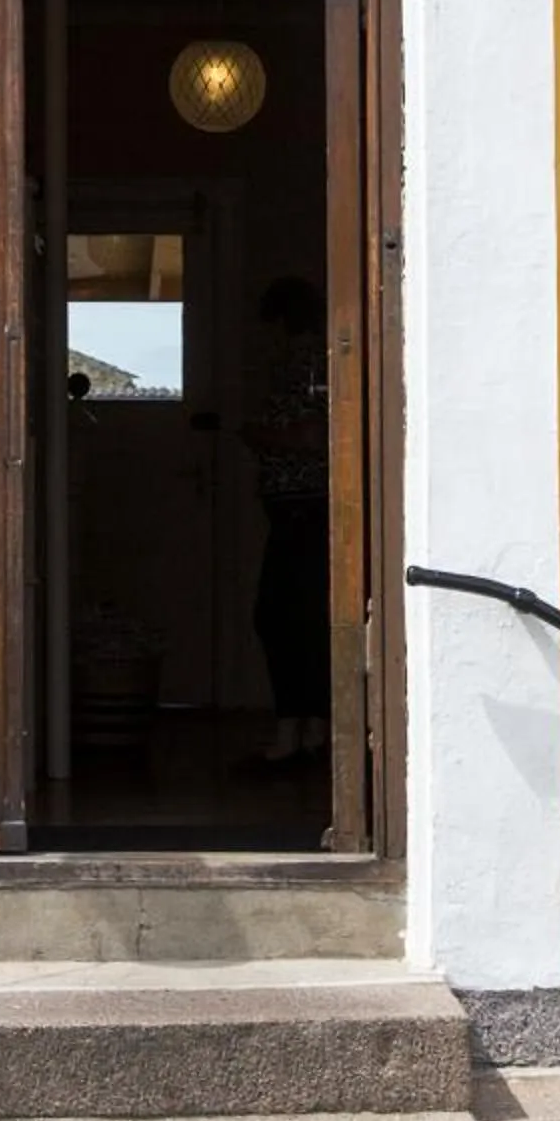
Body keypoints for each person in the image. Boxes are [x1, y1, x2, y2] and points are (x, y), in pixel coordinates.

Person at [243, 275, 330, 769]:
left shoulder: (306, 364)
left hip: (303, 506)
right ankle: (310, 730)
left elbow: (313, 436)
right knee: (301, 619)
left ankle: (294, 732)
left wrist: (257, 434)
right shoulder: (310, 361)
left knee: (281, 619)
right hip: (298, 507)